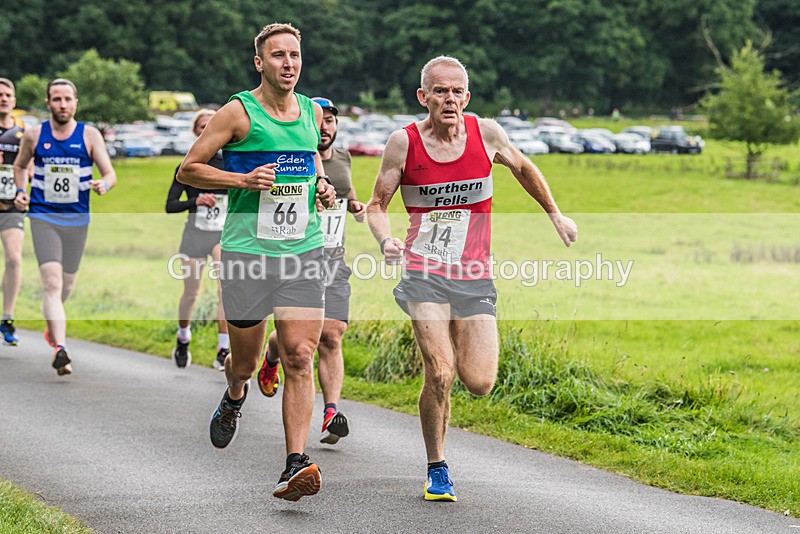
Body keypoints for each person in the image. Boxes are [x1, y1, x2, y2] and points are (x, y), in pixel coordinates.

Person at [365, 56, 577, 502]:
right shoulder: (402, 144)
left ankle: (444, 404)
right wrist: (386, 241)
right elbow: (378, 204)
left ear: (468, 96)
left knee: (478, 383)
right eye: (440, 91)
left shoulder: (488, 134)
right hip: (424, 272)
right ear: (423, 97)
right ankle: (437, 466)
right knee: (440, 372)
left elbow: (523, 169)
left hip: (474, 275)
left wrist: (555, 215)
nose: (450, 99)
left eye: (457, 91)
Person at [177, 22, 336, 502]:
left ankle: (294, 463)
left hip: (303, 251)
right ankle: (234, 396)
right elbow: (188, 169)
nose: (288, 63)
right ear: (259, 63)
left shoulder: (311, 112)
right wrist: (243, 180)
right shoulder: (238, 112)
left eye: (294, 55)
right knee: (243, 363)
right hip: (248, 255)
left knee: (300, 357)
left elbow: (310, 165)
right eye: (278, 56)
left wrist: (322, 188)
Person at [257, 97, 366, 445]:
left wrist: (356, 206)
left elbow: (347, 194)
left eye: (331, 121)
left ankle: (332, 411)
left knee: (332, 335)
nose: (325, 128)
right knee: (299, 342)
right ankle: (272, 355)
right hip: (301, 259)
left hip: (334, 259)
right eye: (320, 121)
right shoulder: (295, 156)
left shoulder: (345, 158)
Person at [13, 78, 116, 375]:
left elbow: (110, 173)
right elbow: (20, 166)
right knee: (52, 283)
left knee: (65, 286)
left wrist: (103, 185)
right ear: (48, 103)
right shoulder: (34, 136)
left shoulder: (90, 135)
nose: (62, 104)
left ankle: (52, 327)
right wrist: (21, 192)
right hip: (43, 217)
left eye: (67, 99)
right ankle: (60, 348)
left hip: (78, 219)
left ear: (75, 102)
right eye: (56, 99)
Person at [166, 109, 229, 370]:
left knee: (225, 289)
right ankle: (183, 338)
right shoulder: (187, 165)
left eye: (212, 126)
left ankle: (223, 349)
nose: (207, 131)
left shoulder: (229, 164)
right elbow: (170, 205)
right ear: (195, 132)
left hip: (221, 234)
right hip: (194, 234)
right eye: (202, 126)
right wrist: (196, 200)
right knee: (190, 294)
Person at [0, 78, 27, 346]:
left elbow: (30, 167)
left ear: (14, 101)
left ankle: (6, 318)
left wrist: (24, 190)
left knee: (14, 259)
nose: (3, 98)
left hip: (10, 206)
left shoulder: (23, 133)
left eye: (8, 94)